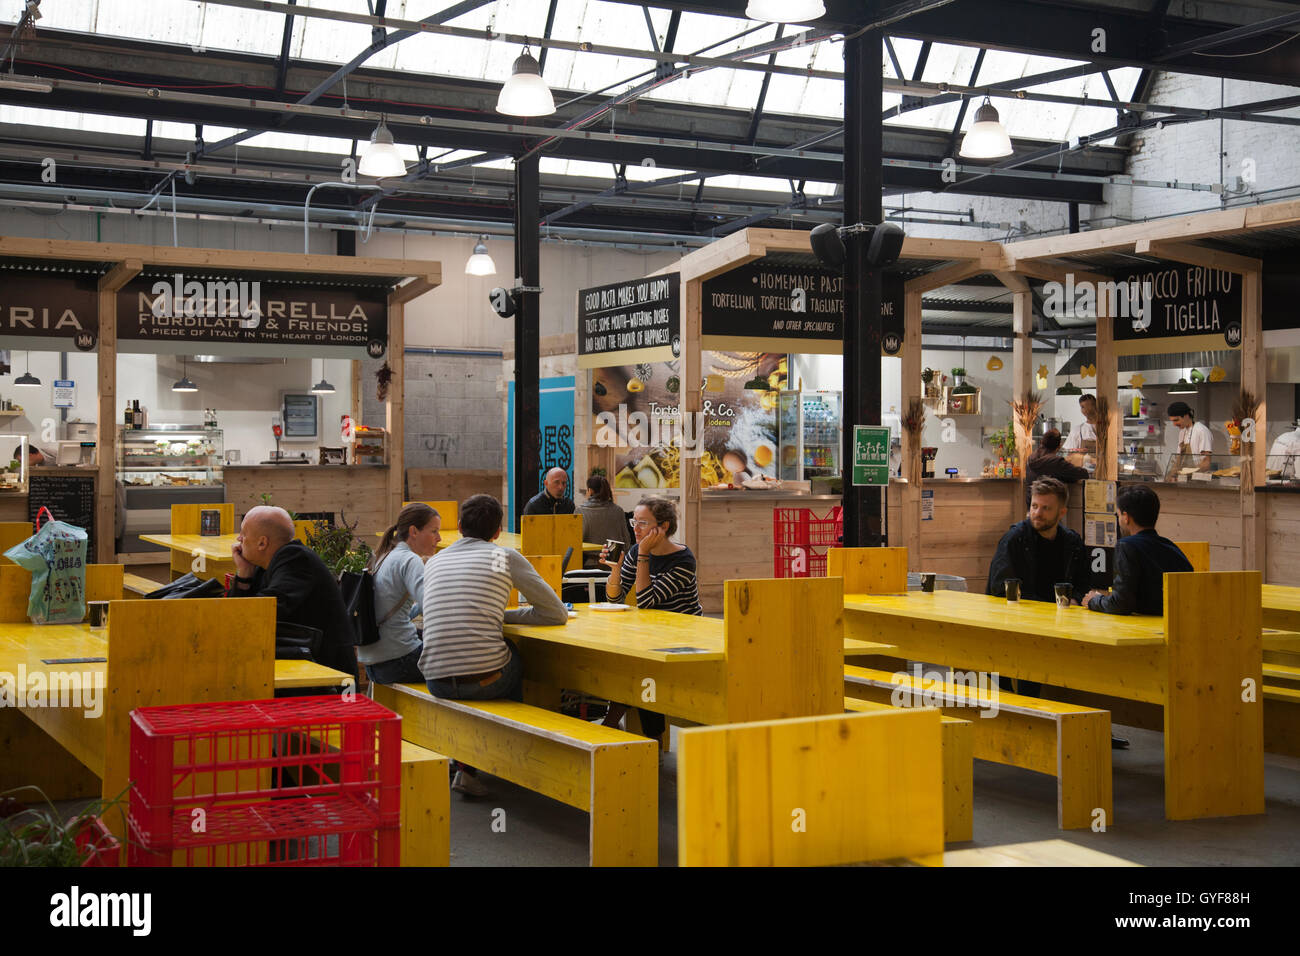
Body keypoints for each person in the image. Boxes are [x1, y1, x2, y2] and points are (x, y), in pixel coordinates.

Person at [421, 493, 567, 796]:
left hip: (435, 679)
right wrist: (506, 617)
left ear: (459, 526)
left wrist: (494, 615)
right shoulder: (504, 556)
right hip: (484, 681)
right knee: (512, 654)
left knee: (482, 663)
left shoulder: (434, 561)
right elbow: (556, 613)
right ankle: (509, 760)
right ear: (498, 532)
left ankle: (469, 765)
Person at [598, 495, 702, 743]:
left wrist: (643, 554)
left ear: (663, 526)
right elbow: (615, 599)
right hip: (651, 634)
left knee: (643, 667)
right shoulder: (635, 552)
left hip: (685, 639)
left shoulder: (683, 561)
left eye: (643, 523)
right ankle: (618, 726)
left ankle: (646, 736)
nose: (635, 528)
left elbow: (645, 601)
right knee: (626, 661)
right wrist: (615, 570)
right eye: (634, 521)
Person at [228, 505, 358, 682]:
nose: (239, 539)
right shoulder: (268, 564)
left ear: (262, 542)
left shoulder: (297, 560)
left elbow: (265, 609)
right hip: (306, 668)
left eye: (243, 533)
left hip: (329, 676)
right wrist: (244, 574)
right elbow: (240, 615)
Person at [358, 503, 441, 685]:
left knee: (422, 633)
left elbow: (394, 608)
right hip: (399, 661)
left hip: (374, 665)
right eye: (434, 531)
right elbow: (433, 609)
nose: (439, 538)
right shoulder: (410, 560)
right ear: (414, 531)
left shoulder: (383, 556)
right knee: (466, 658)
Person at [1083, 484, 1193, 616]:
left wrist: (1094, 600)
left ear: (1125, 517)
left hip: (1146, 630)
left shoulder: (1126, 546)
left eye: (1118, 515)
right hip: (1178, 626)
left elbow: (1121, 604)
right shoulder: (1172, 547)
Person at [1023, 429, 1090, 509]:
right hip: (1047, 510)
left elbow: (1051, 474)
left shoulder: (1031, 458)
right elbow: (1083, 474)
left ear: (1042, 442)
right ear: (1059, 446)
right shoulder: (1056, 462)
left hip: (1032, 507)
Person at [578, 474, 631, 567]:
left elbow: (576, 542)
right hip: (613, 564)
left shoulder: (580, 511)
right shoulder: (618, 510)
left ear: (590, 491)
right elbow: (626, 540)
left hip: (588, 565)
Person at [1167, 401, 1213, 473]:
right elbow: (1178, 459)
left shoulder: (1201, 431)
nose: (1174, 424)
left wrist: (1191, 473)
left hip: (1198, 478)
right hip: (1184, 478)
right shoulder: (1182, 432)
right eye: (1172, 421)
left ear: (1186, 416)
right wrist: (1172, 474)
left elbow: (1206, 463)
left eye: (1176, 420)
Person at [1062, 393, 1098, 463]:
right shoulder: (1077, 430)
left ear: (1095, 406)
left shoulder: (1106, 429)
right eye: (1082, 407)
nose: (1086, 410)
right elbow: (1068, 454)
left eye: (1089, 406)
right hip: (1083, 471)